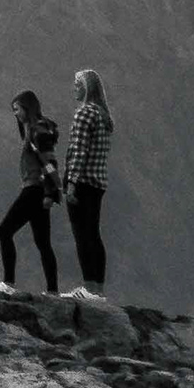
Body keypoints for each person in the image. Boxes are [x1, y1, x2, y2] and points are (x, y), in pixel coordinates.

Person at [0, 90, 62, 291]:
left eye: (17, 109)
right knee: (43, 242)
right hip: (38, 189)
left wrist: (49, 192)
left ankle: (8, 283)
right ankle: (52, 290)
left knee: (4, 231)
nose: (15, 114)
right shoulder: (36, 130)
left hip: (34, 189)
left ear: (27, 108)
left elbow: (49, 162)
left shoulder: (37, 131)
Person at [60, 70, 113, 296]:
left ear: (87, 88)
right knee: (94, 234)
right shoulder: (103, 116)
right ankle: (98, 289)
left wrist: (71, 182)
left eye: (77, 84)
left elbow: (78, 151)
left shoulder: (83, 113)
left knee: (82, 236)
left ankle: (88, 287)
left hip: (82, 181)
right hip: (98, 182)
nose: (74, 88)